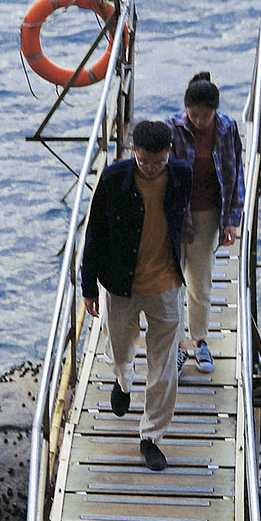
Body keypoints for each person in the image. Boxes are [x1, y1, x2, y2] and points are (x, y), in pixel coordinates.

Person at [81, 118, 192, 471]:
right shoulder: (114, 179)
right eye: (144, 161)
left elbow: (185, 219)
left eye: (158, 162)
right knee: (119, 343)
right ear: (133, 152)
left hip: (166, 285)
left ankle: (151, 437)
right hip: (121, 284)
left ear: (169, 153)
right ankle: (122, 379)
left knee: (163, 366)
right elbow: (94, 234)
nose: (150, 168)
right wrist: (88, 287)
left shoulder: (180, 175)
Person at [167, 71, 245, 374]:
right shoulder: (171, 127)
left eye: (206, 114)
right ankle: (176, 345)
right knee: (172, 283)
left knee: (200, 281)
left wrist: (231, 220)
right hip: (175, 215)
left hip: (207, 214)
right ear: (186, 108)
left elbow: (234, 174)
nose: (199, 120)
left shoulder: (227, 128)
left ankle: (199, 341)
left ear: (216, 110)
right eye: (194, 114)